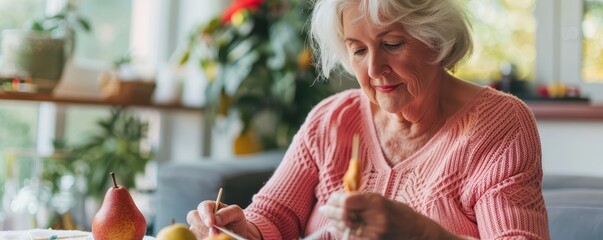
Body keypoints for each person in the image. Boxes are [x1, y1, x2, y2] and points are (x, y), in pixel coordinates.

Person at [187, 0, 550, 239]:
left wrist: (419, 233)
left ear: (435, 40)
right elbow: (273, 217)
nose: (374, 69)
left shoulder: (500, 125)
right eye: (358, 50)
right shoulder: (332, 119)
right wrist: (241, 229)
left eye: (392, 44)